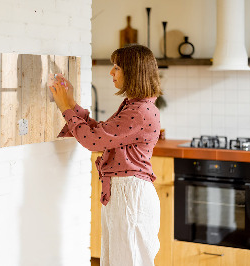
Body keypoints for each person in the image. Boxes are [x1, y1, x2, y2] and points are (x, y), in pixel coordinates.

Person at [50, 44, 162, 266]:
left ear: (133, 72)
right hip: (125, 193)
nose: (111, 72)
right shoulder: (135, 106)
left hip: (130, 195)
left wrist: (65, 108)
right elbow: (101, 133)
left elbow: (93, 141)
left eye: (117, 67)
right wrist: (71, 103)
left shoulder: (139, 111)